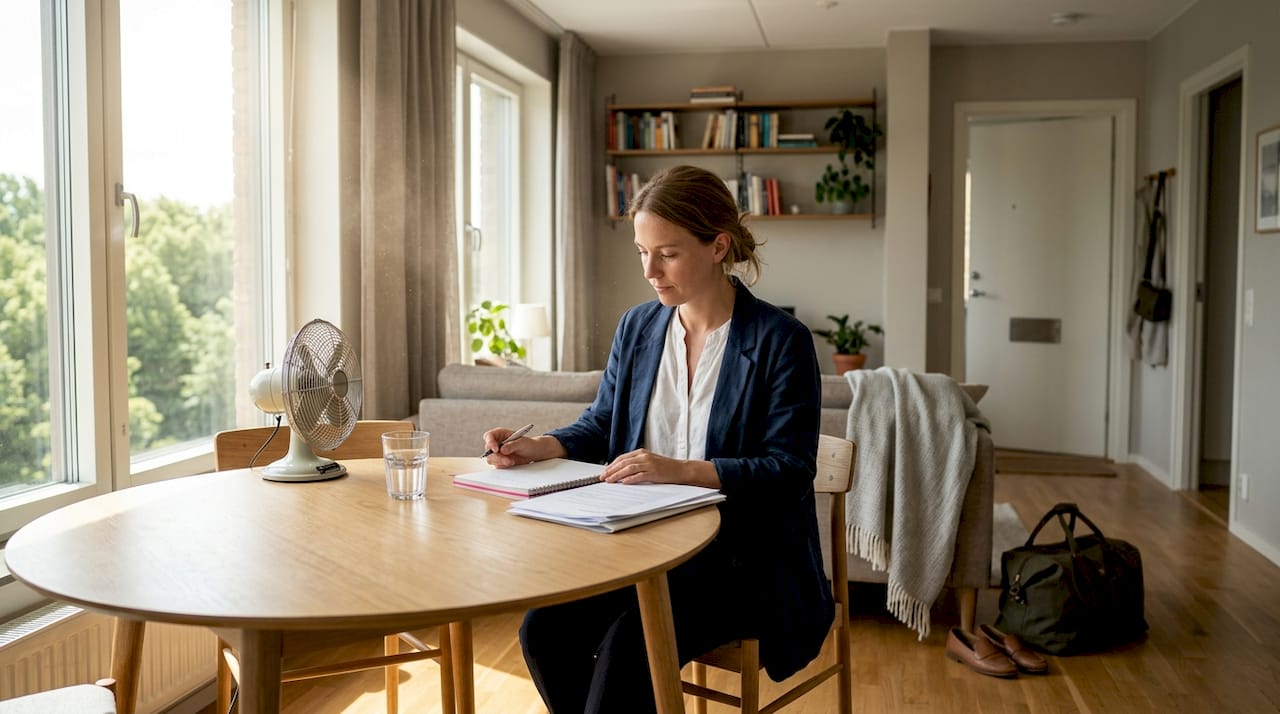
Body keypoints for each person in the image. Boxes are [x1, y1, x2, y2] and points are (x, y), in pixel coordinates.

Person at [482, 164, 832, 713]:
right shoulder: (638, 327)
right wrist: (542, 446)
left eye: (666, 253)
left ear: (718, 246)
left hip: (740, 560)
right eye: (642, 252)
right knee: (544, 631)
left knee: (631, 647)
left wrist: (683, 469)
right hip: (638, 545)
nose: (650, 270)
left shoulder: (780, 341)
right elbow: (603, 424)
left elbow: (789, 468)